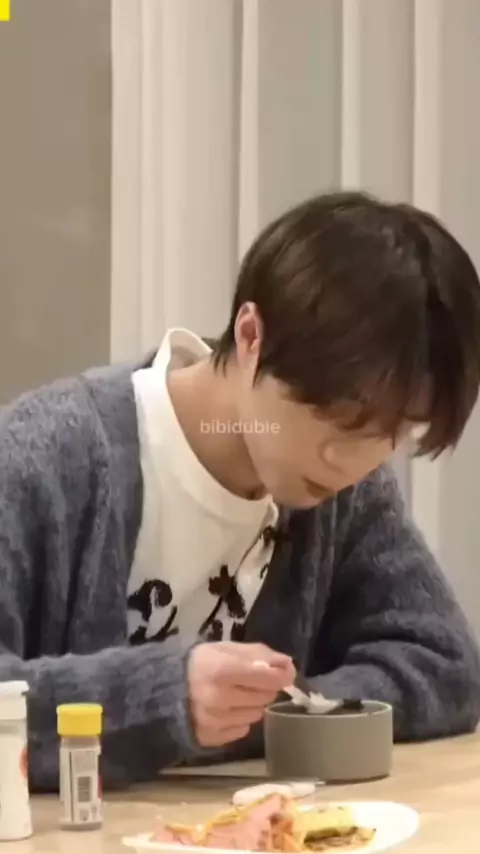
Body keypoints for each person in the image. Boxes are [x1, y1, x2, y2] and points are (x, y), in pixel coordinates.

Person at [1, 191, 480, 791]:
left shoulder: (348, 489)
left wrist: (273, 708)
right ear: (252, 336)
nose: (353, 462)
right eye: (339, 416)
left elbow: (446, 666)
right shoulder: (47, 454)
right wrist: (161, 700)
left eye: (396, 431)